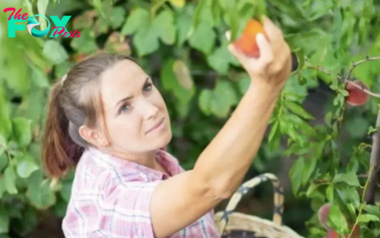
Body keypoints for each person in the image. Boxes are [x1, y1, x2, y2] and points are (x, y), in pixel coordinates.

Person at [41, 16, 292, 238]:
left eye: (146, 88)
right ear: (93, 135)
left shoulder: (136, 152)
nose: (152, 110)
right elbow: (209, 186)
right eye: (125, 108)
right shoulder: (108, 202)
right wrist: (266, 86)